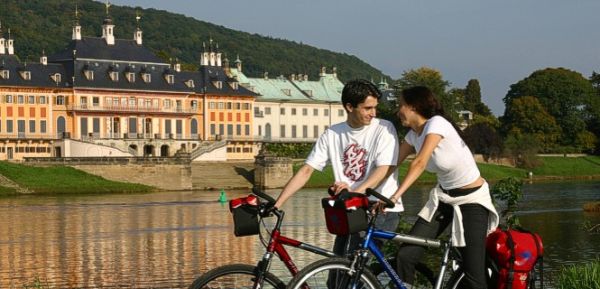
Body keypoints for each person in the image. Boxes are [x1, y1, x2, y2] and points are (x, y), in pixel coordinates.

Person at [273, 79, 403, 256]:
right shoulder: (332, 133)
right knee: (336, 271)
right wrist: (277, 204)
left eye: (375, 107)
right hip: (349, 208)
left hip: (379, 208)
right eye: (367, 108)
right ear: (350, 107)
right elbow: (306, 171)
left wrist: (354, 192)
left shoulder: (384, 128)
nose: (373, 113)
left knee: (354, 271)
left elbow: (383, 170)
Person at [388, 86, 498, 289]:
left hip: (472, 201)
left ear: (413, 107)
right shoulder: (413, 135)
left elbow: (419, 162)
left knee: (474, 274)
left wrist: (395, 197)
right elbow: (390, 165)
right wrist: (363, 189)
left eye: (400, 105)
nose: (397, 110)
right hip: (444, 199)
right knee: (406, 254)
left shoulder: (437, 124)